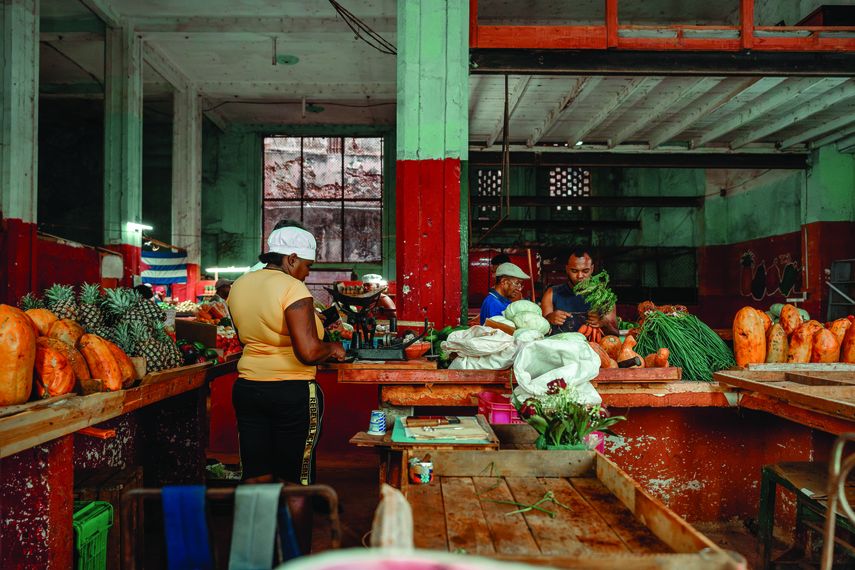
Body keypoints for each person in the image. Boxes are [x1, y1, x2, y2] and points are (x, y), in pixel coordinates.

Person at [227, 225, 346, 553]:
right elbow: (308, 351)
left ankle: (255, 556)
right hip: (292, 392)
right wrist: (332, 348)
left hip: (249, 388)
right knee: (297, 484)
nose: (307, 274)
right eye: (308, 265)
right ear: (292, 259)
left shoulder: (239, 286)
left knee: (256, 478)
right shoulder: (292, 289)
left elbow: (245, 337)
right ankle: (294, 559)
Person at [541, 246, 619, 336]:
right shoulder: (551, 294)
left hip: (594, 348)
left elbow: (615, 334)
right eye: (574, 271)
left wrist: (604, 323)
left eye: (585, 271)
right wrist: (549, 318)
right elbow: (541, 332)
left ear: (592, 269)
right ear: (567, 269)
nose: (580, 276)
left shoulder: (604, 296)